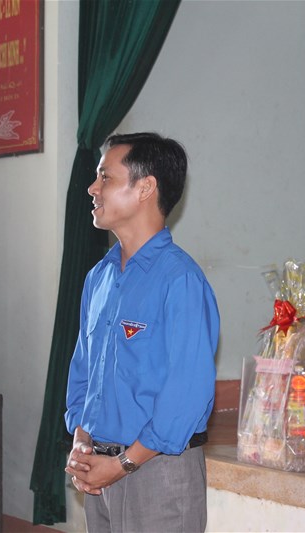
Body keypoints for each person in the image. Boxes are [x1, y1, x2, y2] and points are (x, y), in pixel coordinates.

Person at [64, 132, 219, 533]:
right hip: (101, 468)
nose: (92, 188)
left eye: (105, 177)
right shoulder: (99, 277)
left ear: (145, 188)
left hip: (157, 471)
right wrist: (82, 443)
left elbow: (185, 395)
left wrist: (123, 464)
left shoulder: (180, 280)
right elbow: (85, 372)